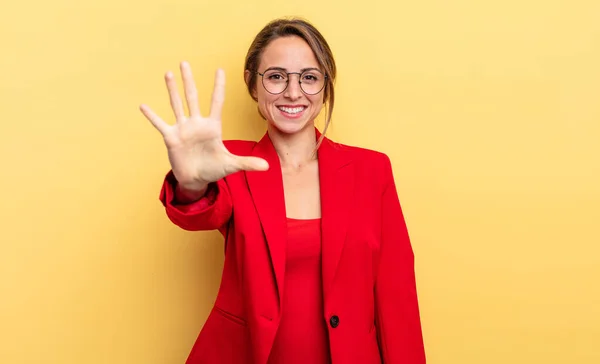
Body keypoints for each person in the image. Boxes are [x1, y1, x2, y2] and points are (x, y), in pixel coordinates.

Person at [140, 17, 426, 364]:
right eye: (276, 76)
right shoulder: (231, 162)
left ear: (325, 85)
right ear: (253, 84)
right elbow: (200, 211)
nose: (293, 92)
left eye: (309, 77)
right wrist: (191, 182)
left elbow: (397, 297)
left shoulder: (371, 170)